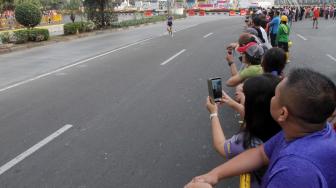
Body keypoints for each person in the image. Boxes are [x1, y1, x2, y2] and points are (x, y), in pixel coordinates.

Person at [186, 68, 336, 188]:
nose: (272, 98)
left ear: (283, 113)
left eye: (275, 96)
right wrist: (214, 174)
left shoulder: (295, 171)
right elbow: (261, 154)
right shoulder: (309, 130)